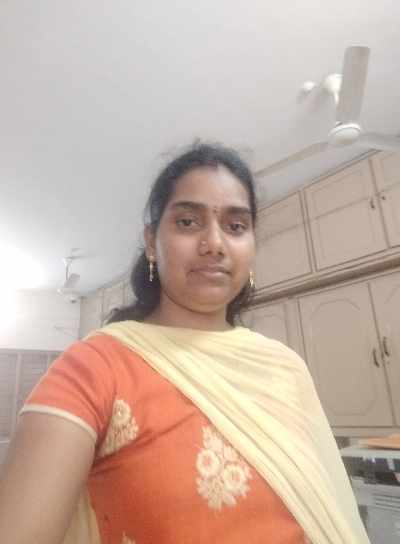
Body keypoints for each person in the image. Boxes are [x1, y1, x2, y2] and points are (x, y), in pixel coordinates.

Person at [0, 143, 370, 544]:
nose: (215, 243)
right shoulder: (95, 366)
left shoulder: (284, 367)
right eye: (189, 222)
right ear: (151, 242)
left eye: (236, 226)